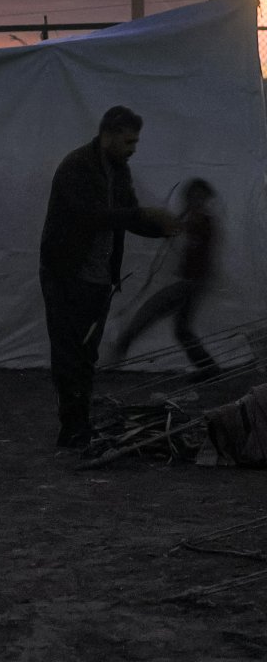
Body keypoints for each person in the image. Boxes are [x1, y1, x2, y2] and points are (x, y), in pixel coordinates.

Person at [40, 105, 178, 448]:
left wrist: (165, 228)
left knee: (85, 353)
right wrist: (146, 215)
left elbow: (125, 216)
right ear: (109, 135)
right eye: (129, 141)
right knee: (70, 352)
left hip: (97, 277)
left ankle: (78, 425)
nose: (133, 148)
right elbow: (92, 216)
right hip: (67, 274)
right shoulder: (77, 167)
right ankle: (72, 427)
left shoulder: (118, 169)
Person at [111, 178, 221, 379]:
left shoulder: (202, 219)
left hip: (192, 283)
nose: (194, 199)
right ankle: (209, 368)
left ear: (204, 198)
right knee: (182, 329)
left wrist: (175, 222)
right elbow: (179, 230)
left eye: (199, 196)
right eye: (192, 195)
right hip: (193, 281)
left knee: (153, 307)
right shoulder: (195, 218)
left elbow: (188, 228)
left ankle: (120, 347)